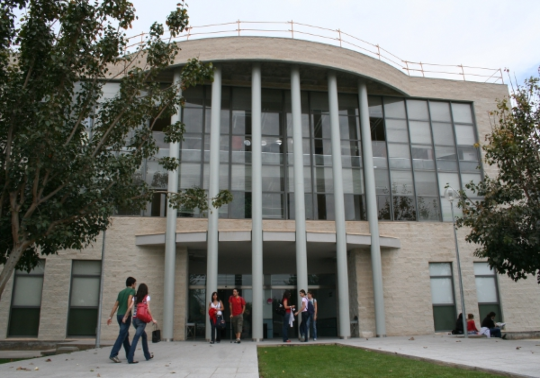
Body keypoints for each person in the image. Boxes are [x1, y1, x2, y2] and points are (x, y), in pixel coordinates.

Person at [123, 283, 157, 363]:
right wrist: (153, 319)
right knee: (136, 338)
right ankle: (130, 358)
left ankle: (147, 355)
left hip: (134, 320)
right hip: (142, 320)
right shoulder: (147, 297)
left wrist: (125, 316)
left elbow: (130, 307)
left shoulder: (135, 297)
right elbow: (148, 308)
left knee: (144, 336)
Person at [108, 277, 137, 363]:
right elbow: (129, 299)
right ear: (132, 284)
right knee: (122, 335)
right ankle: (113, 354)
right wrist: (127, 313)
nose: (135, 285)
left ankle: (129, 354)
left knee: (125, 334)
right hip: (125, 315)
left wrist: (110, 317)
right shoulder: (132, 291)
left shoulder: (121, 292)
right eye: (135, 283)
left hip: (119, 315)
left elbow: (115, 305)